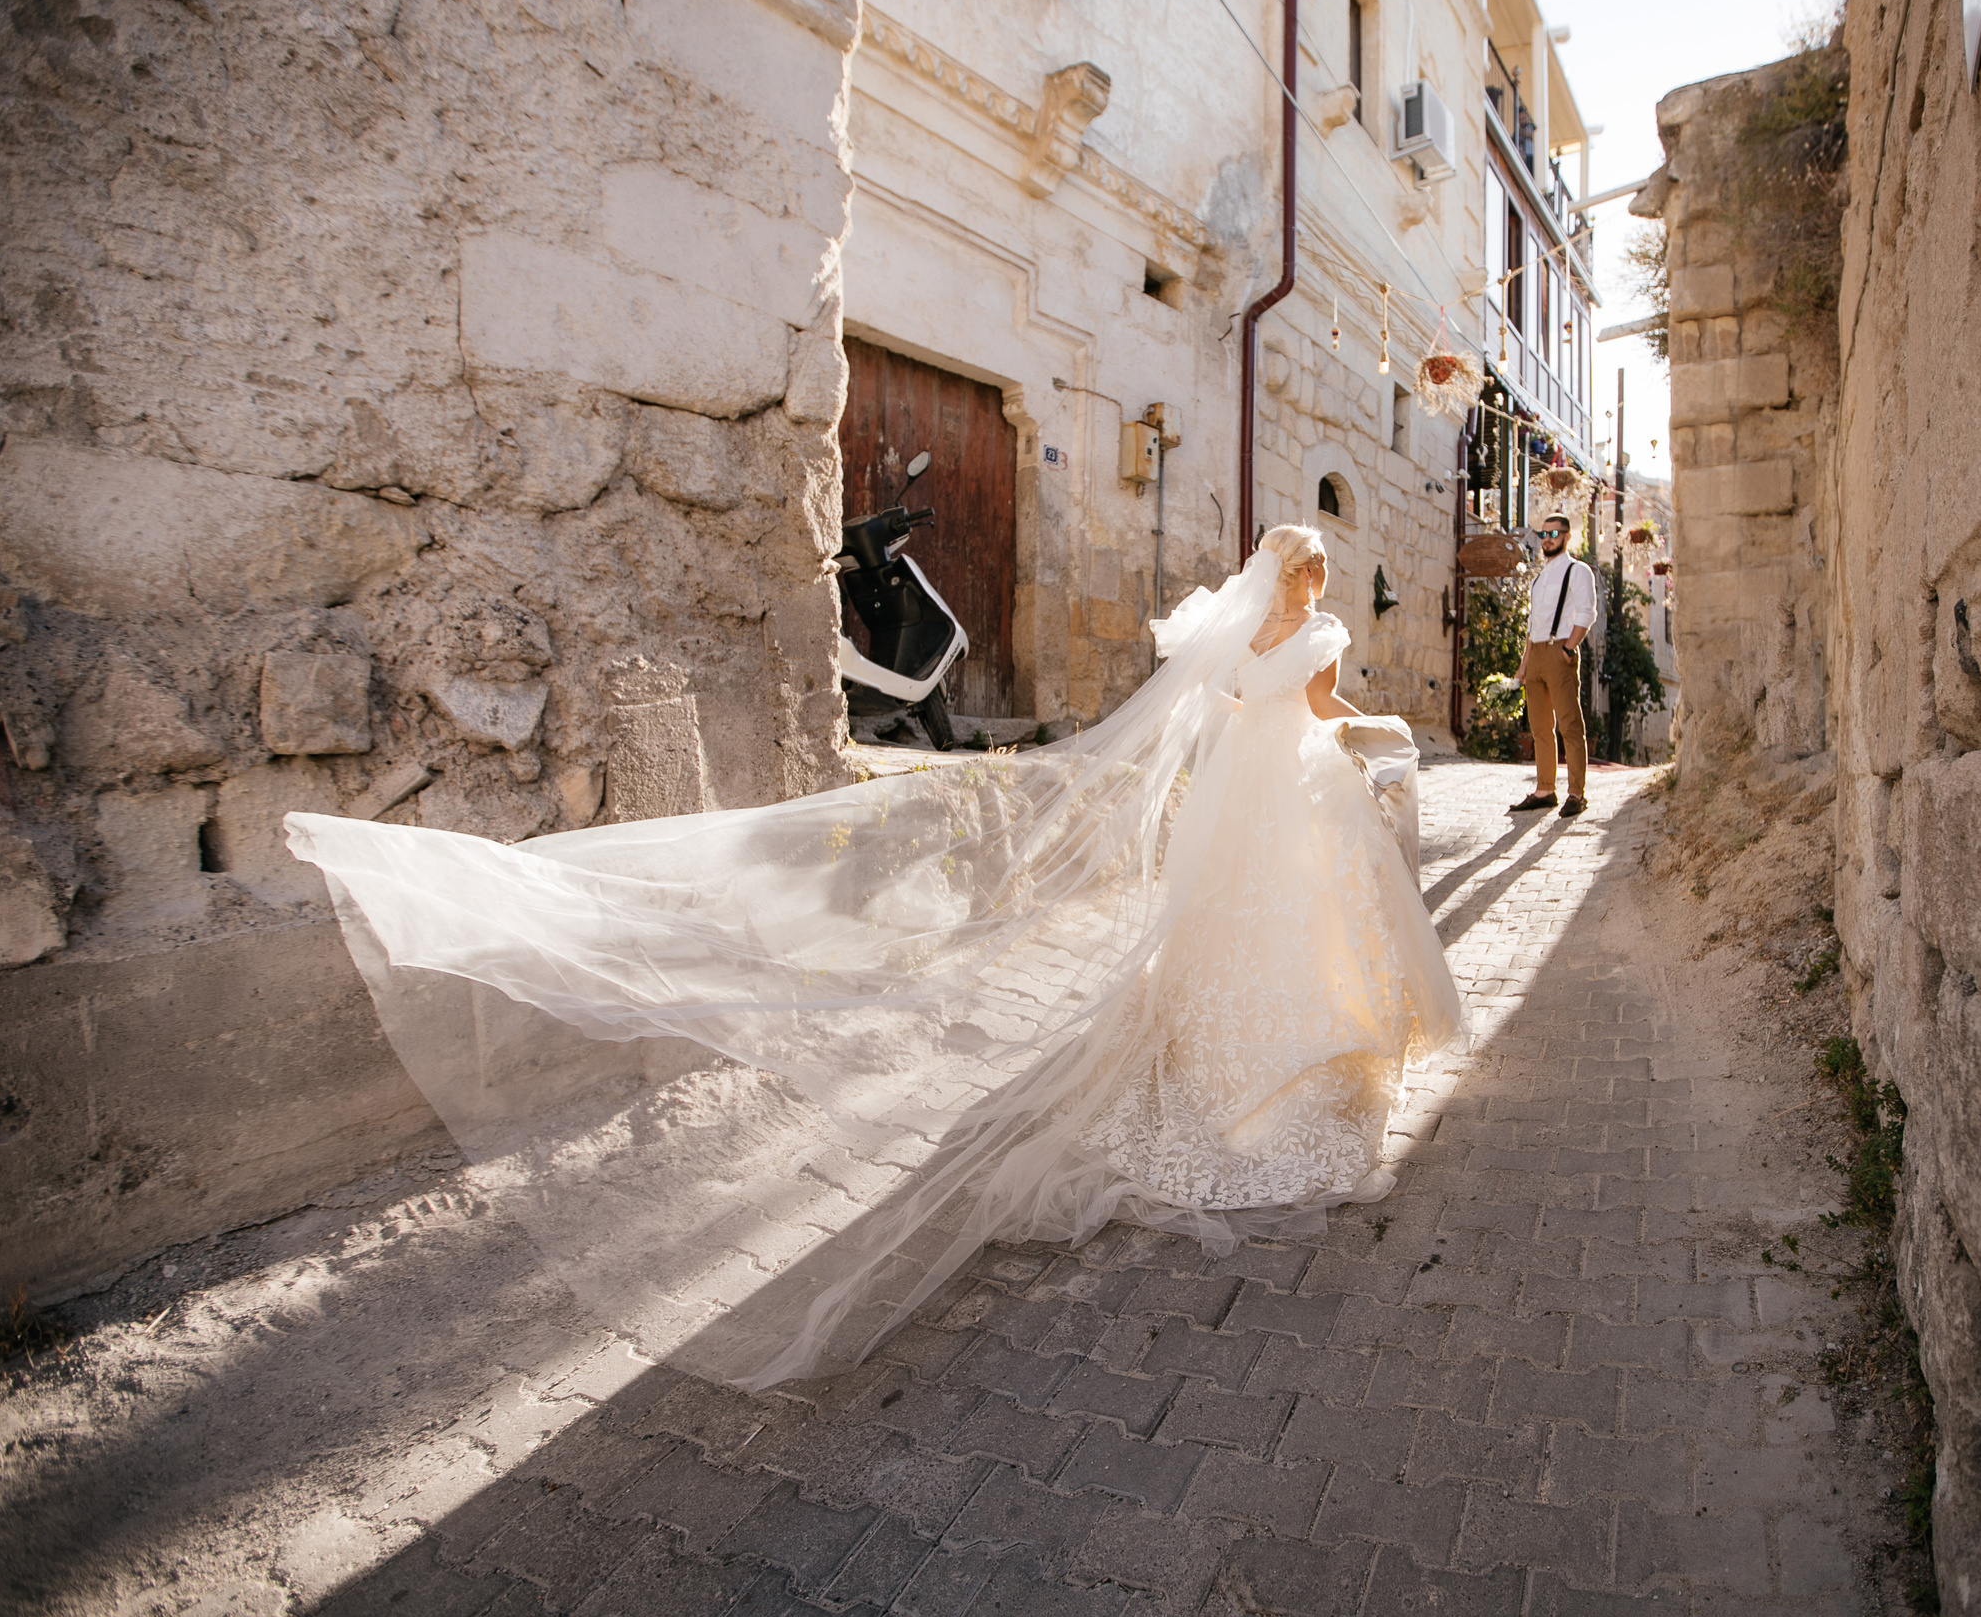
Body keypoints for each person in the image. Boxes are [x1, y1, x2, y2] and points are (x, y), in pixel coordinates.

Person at [285, 524, 1458, 1391]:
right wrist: (1373, 734)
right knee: (1302, 927)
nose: (1309, 584)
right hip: (1292, 801)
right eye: (1315, 572)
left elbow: (1205, 718)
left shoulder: (1225, 631)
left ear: (1263, 569)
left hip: (1232, 814)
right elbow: (1323, 707)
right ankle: (1292, 1076)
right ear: (1310, 581)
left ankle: (1217, 1069)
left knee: (1223, 935)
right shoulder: (1314, 631)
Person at [1510, 513, 1596, 818]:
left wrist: (1569, 649)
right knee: (1540, 727)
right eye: (1543, 534)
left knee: (1570, 724)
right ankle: (1545, 790)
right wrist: (1524, 664)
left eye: (1553, 534)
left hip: (1560, 651)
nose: (1547, 539)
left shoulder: (1578, 570)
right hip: (1536, 656)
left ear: (1566, 537)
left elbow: (1586, 613)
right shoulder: (1540, 577)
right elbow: (1534, 624)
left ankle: (1576, 793)